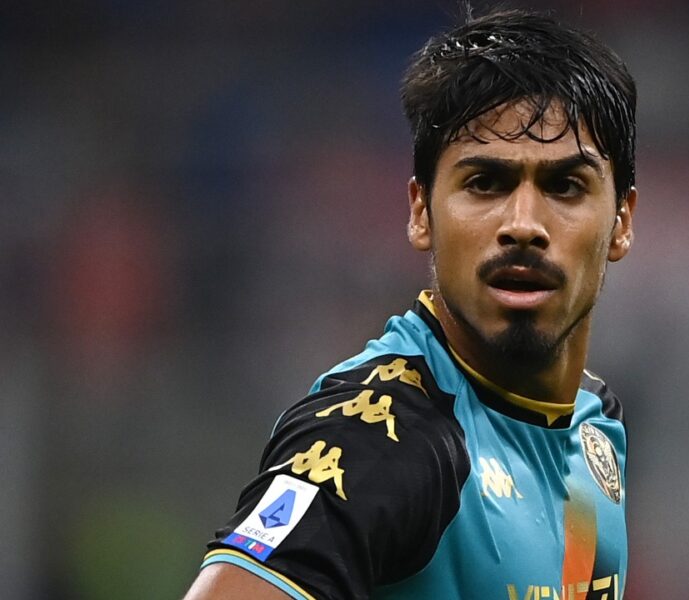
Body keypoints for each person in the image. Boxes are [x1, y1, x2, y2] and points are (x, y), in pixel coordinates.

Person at [184, 7, 637, 600]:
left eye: (565, 186)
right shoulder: (384, 439)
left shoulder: (593, 423)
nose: (523, 224)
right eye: (485, 183)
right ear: (421, 212)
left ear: (622, 221)